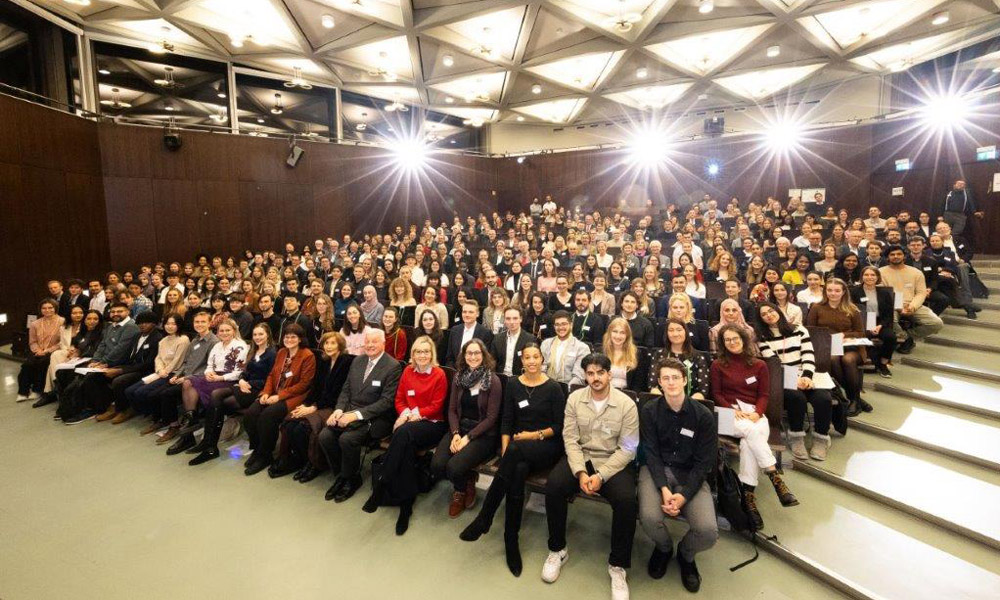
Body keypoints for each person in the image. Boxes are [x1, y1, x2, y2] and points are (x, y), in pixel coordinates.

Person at [459, 343, 565, 577]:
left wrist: (530, 436)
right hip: (517, 448)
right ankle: (511, 540)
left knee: (516, 454)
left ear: (542, 359)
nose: (531, 361)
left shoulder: (554, 388)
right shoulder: (514, 384)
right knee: (516, 472)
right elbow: (507, 420)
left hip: (546, 445)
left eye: (535, 357)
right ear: (522, 361)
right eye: (527, 357)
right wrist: (506, 451)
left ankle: (485, 518)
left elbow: (559, 427)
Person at [541, 353, 639, 599]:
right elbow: (570, 439)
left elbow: (628, 448)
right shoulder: (574, 398)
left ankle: (617, 566)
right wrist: (581, 472)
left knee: (627, 500)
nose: (595, 378)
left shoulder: (627, 404)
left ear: (609, 374)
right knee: (554, 486)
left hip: (612, 462)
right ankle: (557, 550)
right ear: (585, 375)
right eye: (590, 373)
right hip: (581, 459)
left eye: (600, 373)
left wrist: (601, 476)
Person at [638, 358, 718, 592]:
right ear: (659, 382)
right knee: (650, 518)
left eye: (675, 377)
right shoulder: (650, 410)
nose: (670, 382)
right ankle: (664, 548)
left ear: (685, 380)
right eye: (665, 378)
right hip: (656, 470)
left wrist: (683, 496)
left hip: (690, 474)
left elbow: (704, 463)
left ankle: (686, 554)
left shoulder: (703, 416)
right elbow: (650, 453)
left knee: (708, 532)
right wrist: (663, 488)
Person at [711, 325, 798, 528]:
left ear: (743, 339)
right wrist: (731, 410)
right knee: (752, 431)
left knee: (748, 443)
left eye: (735, 338)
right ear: (723, 344)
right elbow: (717, 395)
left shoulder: (759, 365)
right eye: (727, 340)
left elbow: (764, 395)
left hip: (754, 412)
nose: (732, 342)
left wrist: (757, 413)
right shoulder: (717, 364)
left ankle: (748, 499)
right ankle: (774, 475)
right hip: (727, 413)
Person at [363, 336, 448, 534]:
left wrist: (411, 416)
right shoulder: (408, 371)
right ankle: (406, 505)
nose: (422, 355)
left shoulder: (439, 374)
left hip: (433, 424)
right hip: (409, 424)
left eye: (426, 351)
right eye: (418, 352)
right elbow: (399, 399)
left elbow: (436, 406)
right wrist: (405, 413)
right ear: (413, 354)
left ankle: (383, 483)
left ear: (432, 354)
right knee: (406, 447)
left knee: (402, 433)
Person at [319, 328, 403, 503]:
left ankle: (352, 479)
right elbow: (346, 389)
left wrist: (356, 415)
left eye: (374, 342)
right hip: (348, 410)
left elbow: (386, 402)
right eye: (367, 341)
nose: (370, 345)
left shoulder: (393, 366)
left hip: (375, 417)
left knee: (347, 439)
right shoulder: (357, 360)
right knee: (325, 435)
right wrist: (339, 410)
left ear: (383, 344)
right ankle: (342, 475)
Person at [432, 338, 502, 519]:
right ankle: (468, 480)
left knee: (454, 468)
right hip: (459, 428)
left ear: (484, 355)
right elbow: (452, 410)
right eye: (469, 353)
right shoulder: (459, 376)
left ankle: (460, 490)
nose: (473, 356)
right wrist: (455, 434)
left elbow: (491, 418)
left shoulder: (492, 380)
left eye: (477, 353)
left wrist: (468, 438)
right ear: (464, 356)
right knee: (437, 466)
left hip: (483, 434)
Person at [755, 303, 834, 461]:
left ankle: (821, 438)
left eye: (771, 310)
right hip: (783, 376)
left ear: (778, 311)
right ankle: (796, 436)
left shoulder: (799, 329)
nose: (769, 315)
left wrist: (807, 375)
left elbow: (808, 354)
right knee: (797, 398)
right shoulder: (762, 337)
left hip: (808, 374)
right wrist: (794, 379)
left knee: (823, 398)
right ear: (761, 319)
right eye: (764, 314)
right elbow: (775, 363)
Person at [165, 318, 248, 456]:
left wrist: (219, 377)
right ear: (218, 332)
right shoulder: (217, 346)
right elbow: (209, 365)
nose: (224, 333)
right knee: (188, 382)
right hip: (213, 376)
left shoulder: (241, 346)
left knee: (201, 390)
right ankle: (192, 418)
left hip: (229, 379)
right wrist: (209, 373)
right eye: (221, 330)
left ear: (234, 331)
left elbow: (239, 372)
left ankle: (192, 432)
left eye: (228, 330)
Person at [192, 322, 275, 458]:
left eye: (261, 334)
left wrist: (246, 382)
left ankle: (210, 443)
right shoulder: (254, 350)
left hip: (257, 389)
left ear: (268, 335)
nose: (257, 337)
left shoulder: (271, 354)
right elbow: (244, 371)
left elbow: (270, 378)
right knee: (216, 395)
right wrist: (242, 380)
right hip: (245, 385)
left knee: (219, 401)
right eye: (255, 334)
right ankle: (209, 443)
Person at [242, 323, 316, 476]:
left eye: (293, 337)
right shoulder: (281, 352)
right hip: (274, 393)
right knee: (250, 413)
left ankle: (265, 455)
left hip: (294, 396)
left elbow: (304, 384)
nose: (289, 339)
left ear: (300, 339)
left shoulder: (307, 355)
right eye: (287, 336)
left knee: (267, 416)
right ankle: (258, 448)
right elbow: (271, 375)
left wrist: (279, 396)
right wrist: (265, 393)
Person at [58, 302, 140, 423]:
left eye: (120, 311)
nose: (116, 314)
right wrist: (96, 360)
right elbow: (102, 345)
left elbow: (121, 349)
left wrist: (104, 362)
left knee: (91, 378)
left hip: (122, 363)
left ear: (127, 312)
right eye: (113, 312)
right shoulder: (111, 326)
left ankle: (98, 408)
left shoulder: (131, 327)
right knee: (71, 374)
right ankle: (72, 407)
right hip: (106, 361)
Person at [806, 278, 868, 414]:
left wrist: (844, 335)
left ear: (844, 292)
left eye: (837, 290)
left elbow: (860, 332)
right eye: (829, 290)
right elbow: (810, 330)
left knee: (848, 360)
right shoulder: (816, 307)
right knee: (833, 359)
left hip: (850, 346)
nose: (833, 293)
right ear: (825, 291)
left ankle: (853, 399)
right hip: (826, 346)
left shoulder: (852, 309)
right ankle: (855, 398)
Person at [90, 311, 163, 423]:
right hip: (131, 366)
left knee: (119, 381)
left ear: (154, 324)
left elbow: (148, 364)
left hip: (145, 370)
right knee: (98, 375)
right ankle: (109, 405)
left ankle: (124, 409)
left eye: (147, 323)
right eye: (140, 323)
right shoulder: (137, 335)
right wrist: (108, 365)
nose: (142, 325)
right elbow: (126, 355)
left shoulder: (157, 338)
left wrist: (120, 370)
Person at [879, 245, 944, 354]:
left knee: (936, 323)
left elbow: (921, 293)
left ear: (904, 256)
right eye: (892, 255)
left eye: (899, 254)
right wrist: (899, 307)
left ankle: (906, 337)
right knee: (890, 319)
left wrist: (912, 306)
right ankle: (906, 340)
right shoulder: (880, 272)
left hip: (912, 304)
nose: (896, 256)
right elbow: (883, 294)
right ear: (887, 258)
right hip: (891, 306)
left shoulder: (916, 273)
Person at [851, 267, 896, 379]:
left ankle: (883, 363)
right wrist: (866, 325)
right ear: (862, 277)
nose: (869, 277)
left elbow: (889, 313)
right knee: (865, 336)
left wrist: (879, 326)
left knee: (891, 337)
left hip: (879, 322)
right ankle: (867, 362)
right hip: (861, 321)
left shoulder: (884, 293)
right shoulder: (854, 291)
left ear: (877, 277)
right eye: (866, 275)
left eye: (872, 275)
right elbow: (851, 311)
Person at [16, 299, 65, 401]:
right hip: (37, 351)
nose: (47, 310)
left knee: (42, 364)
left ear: (55, 308)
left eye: (50, 308)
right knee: (27, 365)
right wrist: (37, 350)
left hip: (54, 351)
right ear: (40, 310)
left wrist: (46, 351)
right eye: (44, 308)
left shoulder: (63, 322)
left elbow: (62, 342)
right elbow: (32, 341)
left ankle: (37, 390)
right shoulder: (35, 324)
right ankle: (23, 391)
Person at [540, 311, 590, 386]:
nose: (560, 327)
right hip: (547, 386)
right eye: (557, 325)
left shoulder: (582, 348)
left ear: (571, 325)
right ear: (554, 326)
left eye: (564, 324)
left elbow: (579, 377)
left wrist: (566, 389)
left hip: (569, 388)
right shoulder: (546, 344)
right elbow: (542, 368)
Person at [490, 307, 536, 379]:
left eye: (515, 318)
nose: (511, 322)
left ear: (520, 319)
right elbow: (492, 361)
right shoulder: (497, 338)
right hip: (500, 378)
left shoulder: (530, 339)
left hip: (521, 379)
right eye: (508, 319)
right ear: (504, 320)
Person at [446, 300, 494, 367]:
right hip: (456, 371)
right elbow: (449, 357)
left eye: (471, 312)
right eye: (464, 312)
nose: (467, 315)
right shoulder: (455, 330)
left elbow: (485, 359)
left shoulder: (485, 333)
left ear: (477, 314)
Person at [602, 317, 641, 391]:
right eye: (615, 331)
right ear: (609, 333)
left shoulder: (637, 354)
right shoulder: (601, 352)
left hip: (626, 395)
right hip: (603, 392)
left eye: (622, 333)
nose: (618, 336)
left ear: (627, 335)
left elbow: (638, 385)